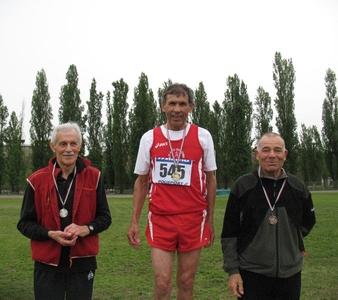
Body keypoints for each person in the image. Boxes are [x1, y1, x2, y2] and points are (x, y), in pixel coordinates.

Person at [127, 83, 217, 299]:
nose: (177, 109)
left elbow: (211, 179)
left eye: (183, 104)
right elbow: (141, 182)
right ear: (163, 107)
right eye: (172, 104)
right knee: (162, 283)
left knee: (186, 282)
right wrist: (134, 222)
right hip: (161, 219)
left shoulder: (203, 136)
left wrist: (211, 222)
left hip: (193, 219)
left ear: (191, 107)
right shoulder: (149, 138)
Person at [17, 122, 112, 300]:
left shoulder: (94, 176)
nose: (69, 149)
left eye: (73, 144)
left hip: (83, 262)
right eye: (63, 144)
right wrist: (49, 234)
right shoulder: (36, 180)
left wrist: (86, 229)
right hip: (47, 263)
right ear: (53, 146)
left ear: (80, 146)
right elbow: (24, 224)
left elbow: (105, 218)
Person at [221, 132, 316, 300]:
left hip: (290, 273)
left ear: (285, 155)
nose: (272, 155)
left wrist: (291, 242)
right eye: (266, 150)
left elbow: (308, 221)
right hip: (251, 273)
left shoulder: (297, 186)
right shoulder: (243, 186)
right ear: (257, 155)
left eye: (277, 150)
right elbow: (230, 233)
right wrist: (233, 271)